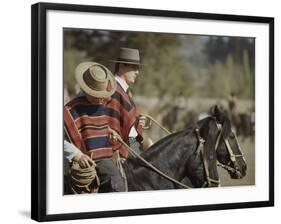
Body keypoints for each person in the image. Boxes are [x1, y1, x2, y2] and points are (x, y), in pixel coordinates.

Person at [64, 61, 144, 192]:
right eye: (96, 94)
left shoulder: (100, 103)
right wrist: (77, 155)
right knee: (115, 182)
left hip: (106, 156)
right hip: (84, 161)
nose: (100, 98)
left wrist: (110, 133)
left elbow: (96, 127)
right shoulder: (70, 110)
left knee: (119, 181)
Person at [111, 47, 152, 153]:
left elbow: (125, 121)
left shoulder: (123, 91)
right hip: (120, 147)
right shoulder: (114, 90)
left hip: (130, 143)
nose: (137, 72)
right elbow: (116, 125)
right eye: (134, 67)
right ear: (121, 66)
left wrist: (137, 121)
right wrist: (137, 150)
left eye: (137, 68)